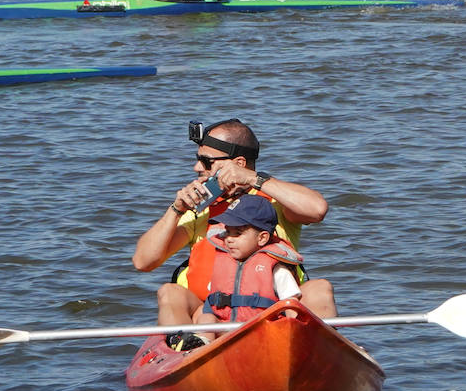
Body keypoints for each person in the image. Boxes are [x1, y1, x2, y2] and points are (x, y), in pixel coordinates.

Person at [133, 118, 337, 347]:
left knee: (320, 288)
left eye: (206, 162)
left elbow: (317, 209)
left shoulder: (276, 201)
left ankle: (319, 350)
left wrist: (252, 178)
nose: (197, 168)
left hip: (276, 314)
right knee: (170, 293)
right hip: (211, 319)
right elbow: (143, 262)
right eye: (198, 159)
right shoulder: (199, 210)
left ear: (239, 163)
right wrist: (176, 209)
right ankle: (186, 348)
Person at [165, 194, 308, 352]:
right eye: (227, 231)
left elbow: (291, 306)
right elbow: (212, 299)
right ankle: (200, 347)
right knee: (206, 317)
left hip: (263, 331)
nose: (229, 239)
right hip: (226, 330)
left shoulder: (277, 269)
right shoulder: (223, 263)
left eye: (237, 233)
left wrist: (294, 338)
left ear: (262, 238)